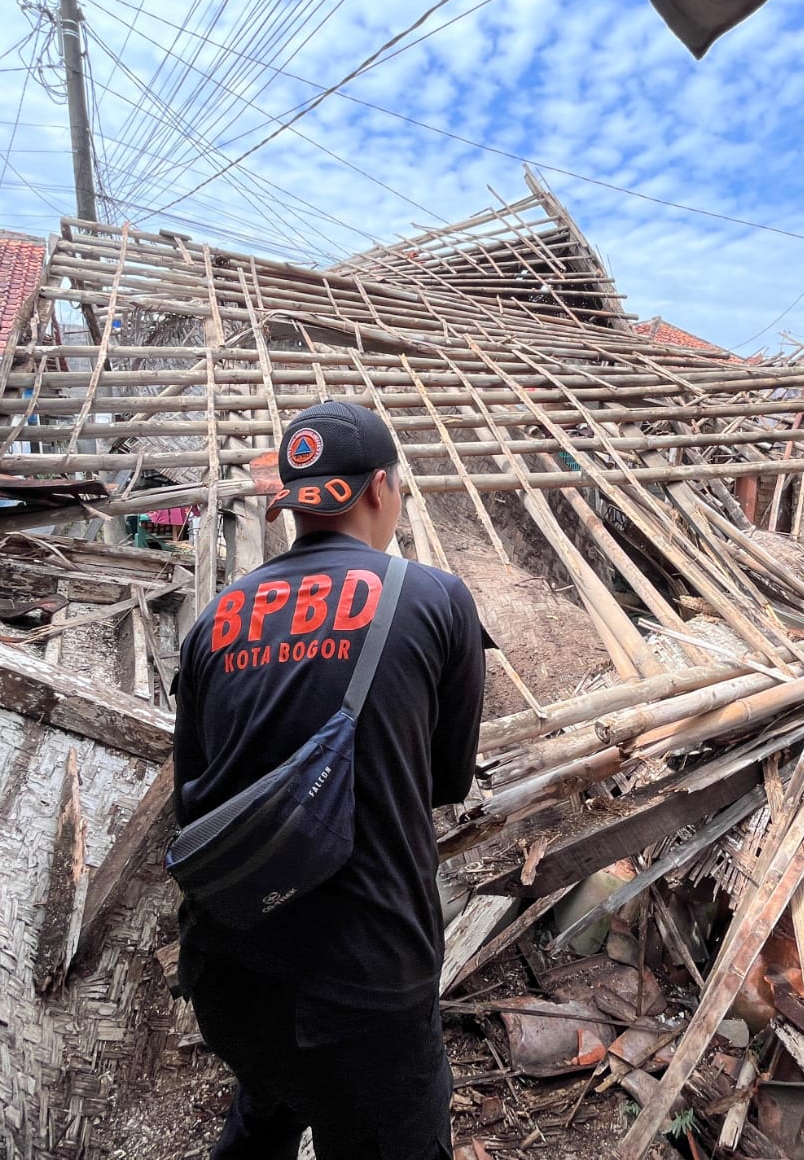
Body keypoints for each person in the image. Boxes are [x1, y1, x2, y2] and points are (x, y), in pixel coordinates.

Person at [172, 401, 487, 1160]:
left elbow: (195, 797)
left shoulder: (212, 623)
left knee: (272, 1100)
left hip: (233, 973)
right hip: (370, 977)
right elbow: (447, 781)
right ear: (379, 488)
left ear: (292, 503)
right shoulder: (437, 600)